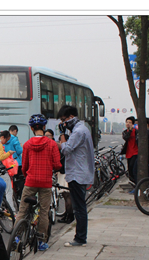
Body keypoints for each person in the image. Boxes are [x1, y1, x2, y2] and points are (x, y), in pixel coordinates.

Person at [14, 114, 61, 251]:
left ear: (31, 128)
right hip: (45, 182)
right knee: (43, 212)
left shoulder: (27, 144)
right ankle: (41, 241)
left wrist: (28, 173)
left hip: (30, 181)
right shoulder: (52, 144)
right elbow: (57, 164)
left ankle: (17, 237)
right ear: (44, 127)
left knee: (22, 210)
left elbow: (25, 166)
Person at [57, 105, 94, 247]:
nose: (62, 123)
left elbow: (66, 149)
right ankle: (80, 236)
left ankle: (80, 238)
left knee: (79, 207)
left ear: (71, 117)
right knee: (80, 206)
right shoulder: (81, 129)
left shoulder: (78, 131)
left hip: (77, 174)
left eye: (63, 120)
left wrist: (61, 138)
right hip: (79, 172)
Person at [0, 130, 17, 213]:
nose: (6, 142)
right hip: (2, 171)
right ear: (2, 137)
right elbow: (1, 157)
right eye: (6, 140)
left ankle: (0, 208)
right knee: (9, 191)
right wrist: (9, 153)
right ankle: (12, 211)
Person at [5, 125, 24, 203]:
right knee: (20, 181)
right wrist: (21, 147)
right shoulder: (15, 139)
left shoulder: (4, 139)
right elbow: (19, 151)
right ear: (15, 131)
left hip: (7, 164)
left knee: (10, 181)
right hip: (16, 164)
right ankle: (19, 197)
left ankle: (10, 196)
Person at [121, 116, 138, 187]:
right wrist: (130, 130)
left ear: (133, 124)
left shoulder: (137, 131)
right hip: (129, 153)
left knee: (134, 168)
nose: (128, 124)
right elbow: (126, 138)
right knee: (130, 170)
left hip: (136, 152)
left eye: (130, 122)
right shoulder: (125, 132)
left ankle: (137, 185)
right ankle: (133, 184)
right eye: (127, 122)